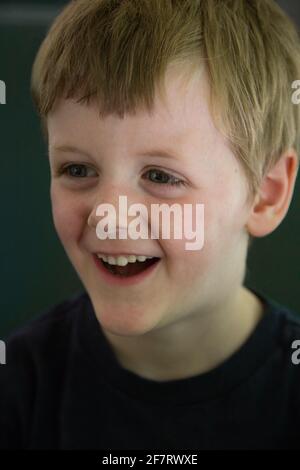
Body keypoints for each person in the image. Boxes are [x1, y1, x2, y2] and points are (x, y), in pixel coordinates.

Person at [1, 0, 300, 450]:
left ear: (266, 195)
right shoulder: (21, 385)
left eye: (160, 177)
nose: (109, 216)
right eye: (78, 170)